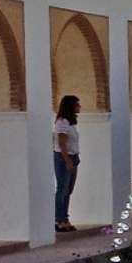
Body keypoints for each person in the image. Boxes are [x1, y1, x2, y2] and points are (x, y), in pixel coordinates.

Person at [53, 95, 82, 232]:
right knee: (62, 189)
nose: (79, 107)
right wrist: (67, 160)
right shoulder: (62, 122)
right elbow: (61, 143)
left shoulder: (71, 123)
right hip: (64, 158)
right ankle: (59, 220)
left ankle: (65, 218)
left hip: (73, 157)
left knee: (68, 190)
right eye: (77, 105)